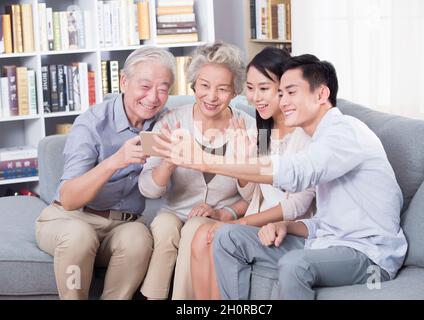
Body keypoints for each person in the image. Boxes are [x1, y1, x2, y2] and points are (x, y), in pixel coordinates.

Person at [153, 54, 408, 300]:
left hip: (370, 255)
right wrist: (285, 225)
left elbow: (295, 172)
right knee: (227, 237)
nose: (283, 101)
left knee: (295, 264)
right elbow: (327, 225)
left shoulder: (346, 132)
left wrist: (205, 160)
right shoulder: (313, 139)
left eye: (291, 92)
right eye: (282, 93)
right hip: (324, 243)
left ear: (321, 94)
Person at [35, 46, 176, 300]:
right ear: (124, 81)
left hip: (122, 225)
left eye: (163, 89)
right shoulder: (92, 123)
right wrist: (115, 161)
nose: (153, 97)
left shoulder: (165, 123)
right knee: (80, 235)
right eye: (145, 86)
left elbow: (205, 123)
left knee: (139, 238)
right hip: (72, 219)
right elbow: (68, 199)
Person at [190, 47, 315, 299]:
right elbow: (251, 193)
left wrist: (240, 223)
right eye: (250, 88)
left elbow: (298, 204)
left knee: (216, 236)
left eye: (264, 88)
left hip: (285, 228)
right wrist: (243, 160)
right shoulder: (263, 131)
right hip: (256, 221)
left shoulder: (304, 136)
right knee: (200, 235)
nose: (255, 97)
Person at [138, 42, 255, 300]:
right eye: (204, 86)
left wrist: (242, 161)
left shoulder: (249, 127)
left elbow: (253, 197)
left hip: (216, 216)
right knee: (165, 227)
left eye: (222, 89)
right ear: (193, 85)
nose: (212, 97)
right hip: (173, 212)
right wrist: (168, 161)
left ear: (234, 91)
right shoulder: (170, 121)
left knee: (195, 228)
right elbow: (148, 189)